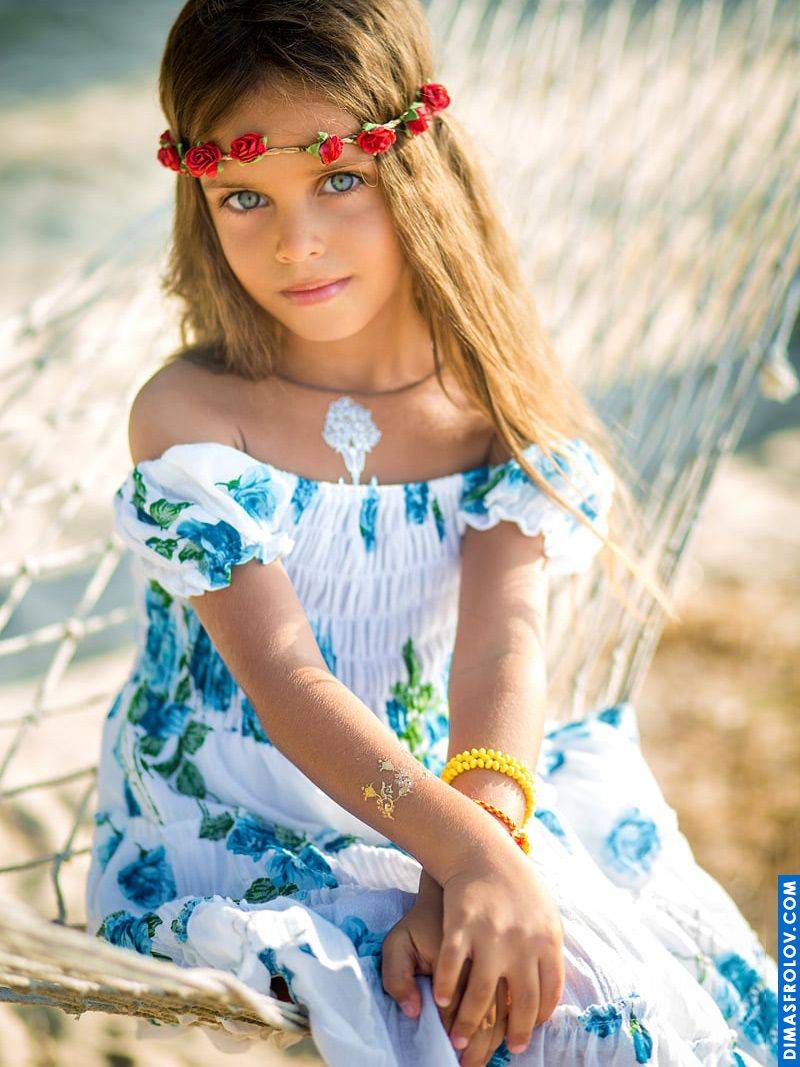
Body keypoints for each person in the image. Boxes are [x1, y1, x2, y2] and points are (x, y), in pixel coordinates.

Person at [85, 1, 778, 1064]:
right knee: (505, 1015)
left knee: (644, 997)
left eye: (337, 178)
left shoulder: (484, 407)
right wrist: (472, 858)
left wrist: (477, 849)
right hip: (238, 802)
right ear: (197, 196)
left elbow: (505, 645)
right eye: (241, 196)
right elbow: (286, 682)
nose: (295, 240)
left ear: (414, 167)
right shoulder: (193, 416)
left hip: (449, 777)